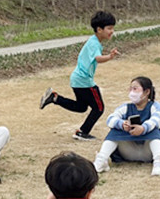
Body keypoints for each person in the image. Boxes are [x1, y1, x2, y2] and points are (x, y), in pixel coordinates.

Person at [39, 11, 120, 141]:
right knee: (99, 108)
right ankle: (82, 132)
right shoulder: (94, 43)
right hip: (83, 80)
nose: (112, 31)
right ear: (99, 29)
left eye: (113, 28)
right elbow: (98, 58)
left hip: (77, 79)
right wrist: (110, 56)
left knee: (81, 107)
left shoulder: (94, 41)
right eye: (109, 28)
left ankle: (55, 98)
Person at [92, 76, 160, 176]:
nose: (131, 92)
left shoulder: (155, 106)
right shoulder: (125, 107)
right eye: (130, 89)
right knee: (115, 129)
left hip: (148, 151)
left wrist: (143, 128)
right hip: (128, 151)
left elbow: (156, 120)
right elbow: (110, 119)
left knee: (154, 130)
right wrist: (122, 124)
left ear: (146, 92)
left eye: (135, 89)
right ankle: (101, 160)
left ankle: (158, 163)